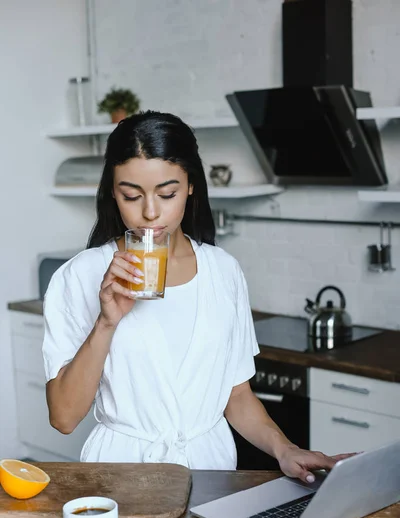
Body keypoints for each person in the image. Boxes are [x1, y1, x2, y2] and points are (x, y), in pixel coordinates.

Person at [43, 111, 351, 482]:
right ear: (112, 190)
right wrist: (106, 322)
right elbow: (63, 417)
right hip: (119, 475)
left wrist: (285, 449)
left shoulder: (223, 271)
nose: (150, 213)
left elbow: (236, 396)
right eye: (131, 195)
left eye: (168, 193)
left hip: (210, 474)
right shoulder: (80, 275)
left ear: (191, 186)